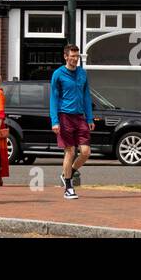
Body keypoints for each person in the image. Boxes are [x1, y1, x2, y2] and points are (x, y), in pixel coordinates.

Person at [50, 43, 94, 199]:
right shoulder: (58, 74)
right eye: (73, 56)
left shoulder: (82, 73)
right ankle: (68, 187)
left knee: (86, 152)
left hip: (80, 117)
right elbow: (53, 98)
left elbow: (87, 96)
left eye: (77, 56)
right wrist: (55, 121)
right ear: (66, 56)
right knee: (70, 151)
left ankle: (68, 173)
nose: (75, 59)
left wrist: (89, 117)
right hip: (64, 116)